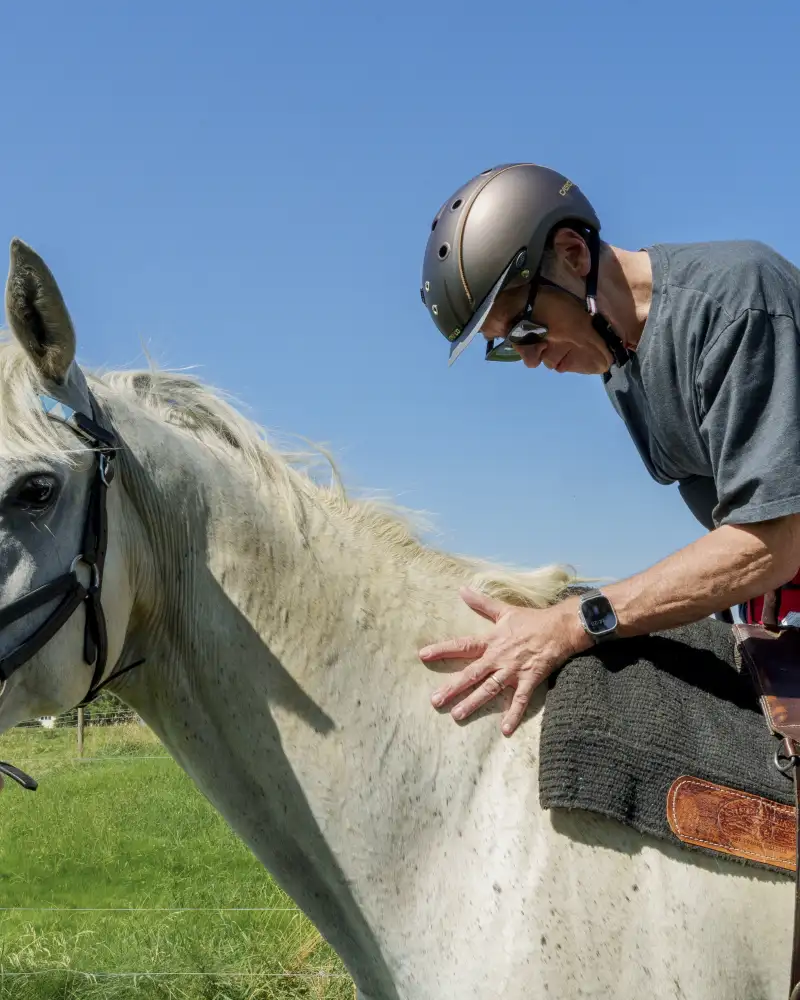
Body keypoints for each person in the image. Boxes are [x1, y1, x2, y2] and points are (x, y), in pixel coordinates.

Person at [417, 162, 800, 736]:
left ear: (573, 254)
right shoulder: (620, 367)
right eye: (505, 347)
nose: (527, 358)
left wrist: (575, 619)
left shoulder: (736, 305)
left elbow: (773, 541)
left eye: (526, 329)